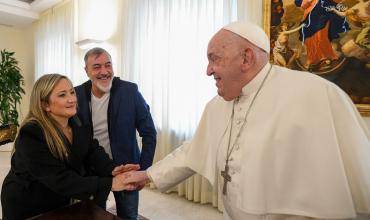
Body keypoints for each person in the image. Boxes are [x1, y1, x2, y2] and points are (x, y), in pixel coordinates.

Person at [124, 21, 370, 220]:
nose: (208, 70)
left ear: (246, 58)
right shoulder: (218, 105)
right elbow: (194, 149)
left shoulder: (316, 95)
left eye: (214, 58)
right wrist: (148, 175)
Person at [0, 74, 138, 220]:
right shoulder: (31, 133)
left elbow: (92, 151)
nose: (72, 99)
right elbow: (60, 178)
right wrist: (110, 184)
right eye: (62, 95)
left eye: (72, 92)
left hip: (60, 199)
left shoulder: (76, 121)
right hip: (29, 204)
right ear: (45, 104)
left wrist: (112, 169)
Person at [75, 47, 157, 219]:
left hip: (127, 169)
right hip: (92, 171)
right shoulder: (76, 95)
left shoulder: (130, 91)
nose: (104, 71)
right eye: (97, 66)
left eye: (108, 65)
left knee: (128, 215)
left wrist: (144, 170)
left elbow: (149, 133)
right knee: (93, 215)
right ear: (86, 70)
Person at [295, 0, 349, 70]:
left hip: (323, 16)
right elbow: (300, 3)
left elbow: (335, 3)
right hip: (309, 16)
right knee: (309, 39)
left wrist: (342, 8)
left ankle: (325, 57)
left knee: (320, 37)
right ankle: (313, 59)